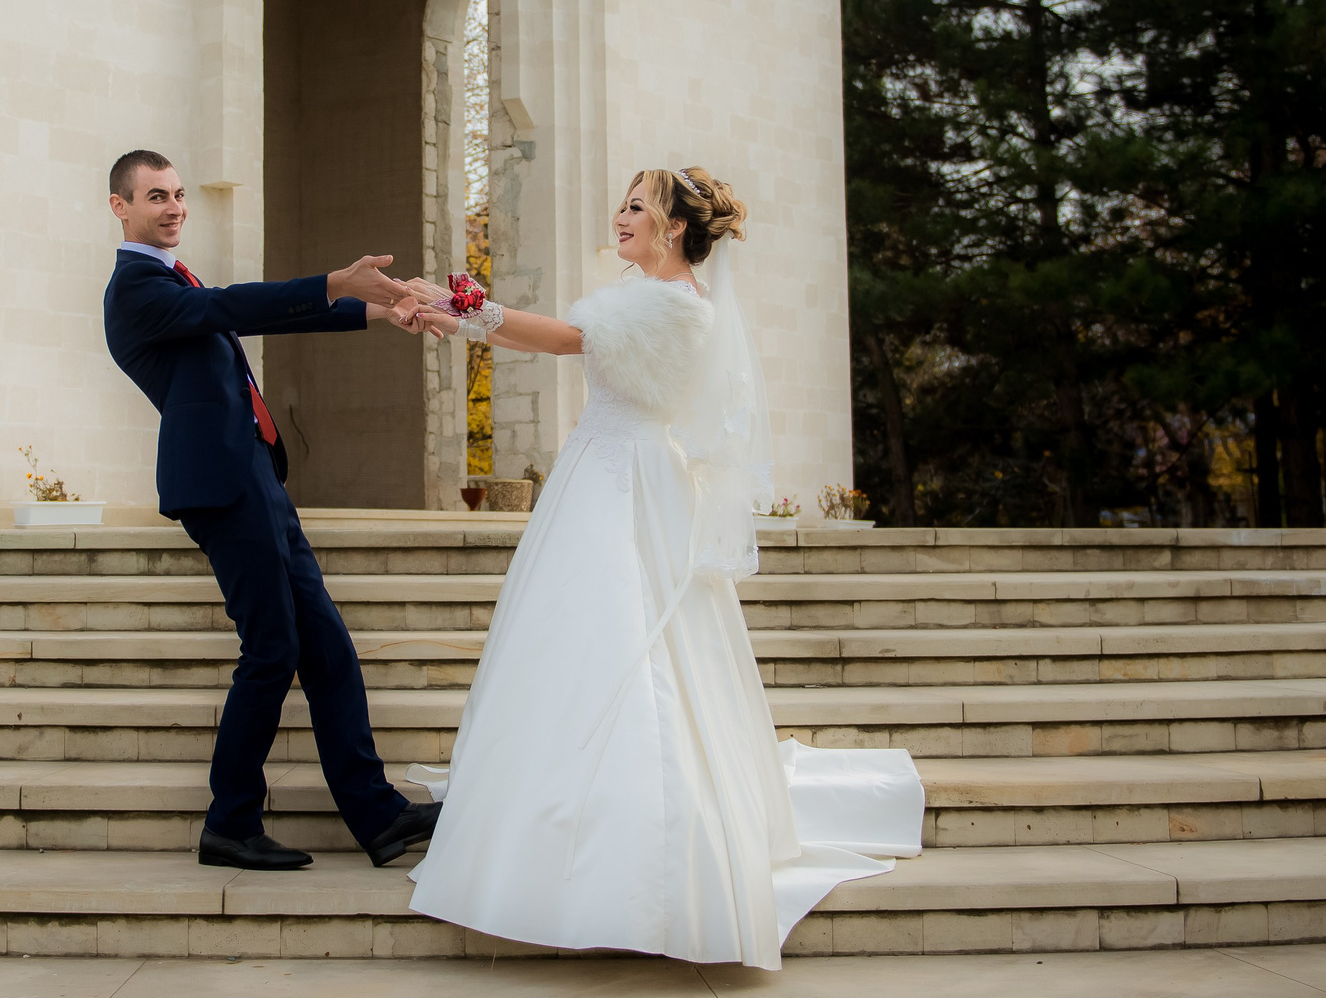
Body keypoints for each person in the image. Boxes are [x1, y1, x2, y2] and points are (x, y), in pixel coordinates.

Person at [391, 167, 925, 968]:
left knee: (630, 645)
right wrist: (456, 313)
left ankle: (634, 849)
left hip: (630, 484)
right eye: (624, 203)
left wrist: (464, 306)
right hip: (601, 475)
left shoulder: (673, 306)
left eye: (638, 206)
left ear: (675, 227)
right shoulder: (646, 299)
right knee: (576, 644)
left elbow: (568, 341)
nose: (621, 216)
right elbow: (549, 337)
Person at [100, 148, 443, 872]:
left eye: (179, 194)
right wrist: (330, 283)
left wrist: (382, 312)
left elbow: (233, 309)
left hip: (256, 475)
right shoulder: (134, 287)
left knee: (326, 644)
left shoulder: (175, 281)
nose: (174, 207)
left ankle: (379, 817)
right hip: (221, 486)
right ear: (120, 207)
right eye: (156, 195)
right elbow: (231, 306)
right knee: (273, 650)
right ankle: (230, 822)